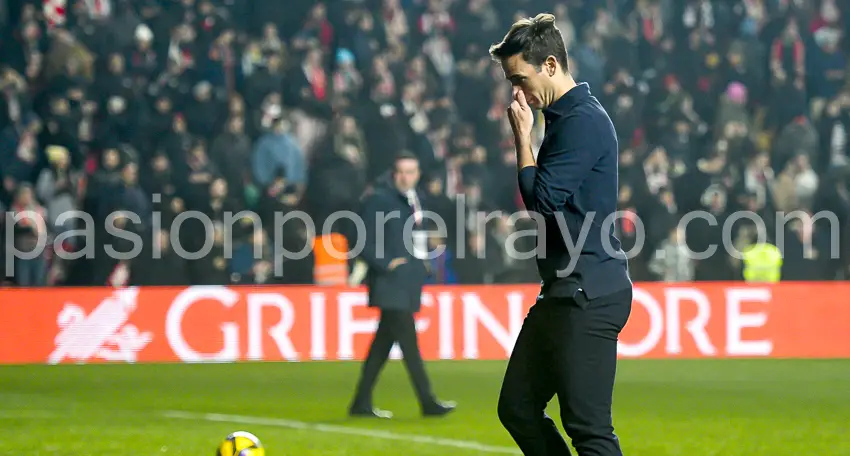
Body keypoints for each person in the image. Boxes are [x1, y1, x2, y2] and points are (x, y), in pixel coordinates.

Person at [489, 13, 633, 456]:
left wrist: (522, 139)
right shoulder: (565, 118)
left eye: (520, 78)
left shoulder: (583, 121)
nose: (518, 92)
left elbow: (542, 198)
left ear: (550, 65)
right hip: (563, 291)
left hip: (588, 294)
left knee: (589, 431)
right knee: (517, 407)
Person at [348, 152, 456, 418]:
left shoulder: (414, 201)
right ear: (393, 173)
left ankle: (360, 403)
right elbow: (359, 238)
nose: (405, 177)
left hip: (406, 282)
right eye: (401, 171)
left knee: (381, 348)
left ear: (417, 174)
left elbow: (411, 237)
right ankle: (428, 401)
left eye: (411, 171)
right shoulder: (379, 200)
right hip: (390, 284)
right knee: (409, 345)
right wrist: (386, 263)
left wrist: (422, 263)